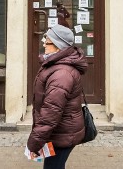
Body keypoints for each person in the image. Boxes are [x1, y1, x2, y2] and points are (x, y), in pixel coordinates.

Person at [27, 25, 88, 168]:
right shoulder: (55, 64)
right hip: (60, 132)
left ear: (58, 46)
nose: (43, 43)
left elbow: (51, 112)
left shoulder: (61, 74)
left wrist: (35, 143)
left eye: (47, 41)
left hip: (63, 134)